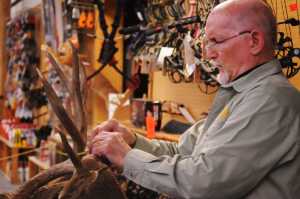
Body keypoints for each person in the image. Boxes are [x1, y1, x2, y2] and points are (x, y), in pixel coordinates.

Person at [88, 0, 300, 198]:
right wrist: (132, 141)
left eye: (217, 41)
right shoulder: (239, 95)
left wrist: (127, 158)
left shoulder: (271, 100)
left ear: (254, 41)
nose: (208, 54)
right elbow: (181, 151)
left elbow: (206, 181)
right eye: (207, 43)